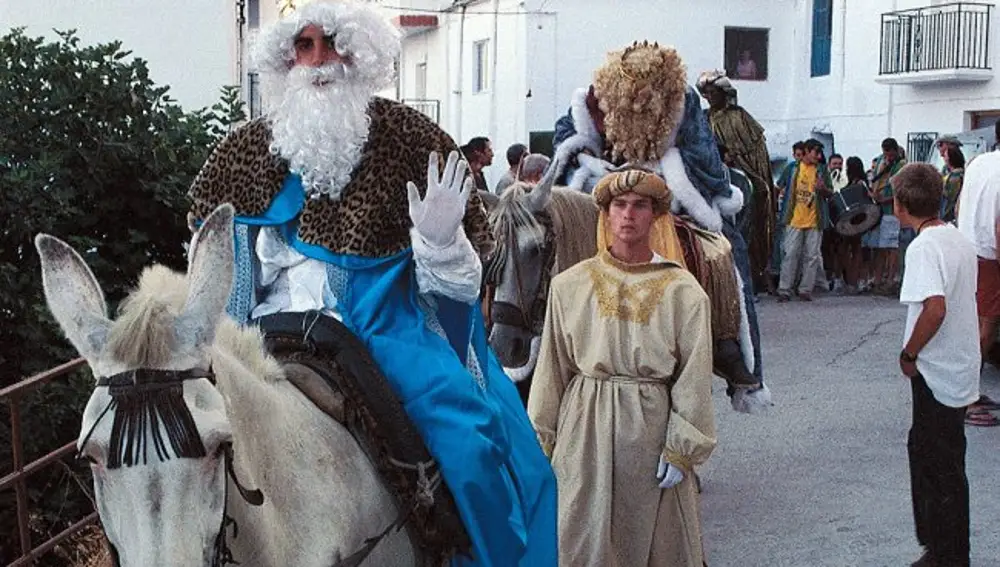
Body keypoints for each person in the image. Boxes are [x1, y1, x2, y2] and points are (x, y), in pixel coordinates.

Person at [185, 3, 557, 565]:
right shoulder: (239, 154)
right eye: (304, 47)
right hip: (256, 338)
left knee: (470, 443)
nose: (319, 61)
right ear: (285, 58)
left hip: (380, 331)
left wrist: (437, 243)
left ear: (359, 52)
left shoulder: (409, 139)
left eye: (332, 44)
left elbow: (459, 287)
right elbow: (212, 269)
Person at [550, 41, 769, 408]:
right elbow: (568, 139)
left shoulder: (681, 101)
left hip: (665, 195)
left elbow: (701, 156)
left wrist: (678, 175)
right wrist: (591, 163)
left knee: (721, 251)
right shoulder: (590, 100)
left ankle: (732, 350)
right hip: (605, 191)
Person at [528, 169, 716, 566]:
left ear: (654, 216)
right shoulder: (569, 286)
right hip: (583, 428)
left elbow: (694, 375)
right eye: (619, 205)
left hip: (648, 430)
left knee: (653, 540)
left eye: (640, 206)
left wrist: (683, 446)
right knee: (579, 536)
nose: (628, 215)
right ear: (606, 214)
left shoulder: (684, 292)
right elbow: (552, 370)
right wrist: (539, 443)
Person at [893, 163, 978, 567]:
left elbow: (935, 309)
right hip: (959, 367)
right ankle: (945, 548)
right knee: (940, 458)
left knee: (935, 465)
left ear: (900, 205)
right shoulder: (957, 238)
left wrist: (909, 354)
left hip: (935, 371)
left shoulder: (923, 247)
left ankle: (945, 554)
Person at [697, 70, 777, 293]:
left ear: (724, 93)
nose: (709, 97)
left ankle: (754, 274)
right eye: (706, 93)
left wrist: (734, 158)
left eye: (713, 92)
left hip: (739, 182)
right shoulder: (701, 118)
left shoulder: (738, 117)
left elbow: (752, 155)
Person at [956, 121, 1000, 426]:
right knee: (985, 329)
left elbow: (959, 205)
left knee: (973, 325)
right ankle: (966, 399)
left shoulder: (978, 162)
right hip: (990, 255)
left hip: (969, 248)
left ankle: (968, 392)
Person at [777, 138, 833, 301]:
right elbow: (780, 186)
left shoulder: (822, 170)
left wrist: (823, 189)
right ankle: (785, 289)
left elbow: (830, 193)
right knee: (790, 254)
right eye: (816, 152)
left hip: (815, 220)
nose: (818, 156)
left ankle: (805, 289)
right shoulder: (792, 168)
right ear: (807, 152)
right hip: (794, 218)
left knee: (812, 256)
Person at [868, 137, 907, 295]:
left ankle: (891, 280)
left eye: (890, 154)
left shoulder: (902, 165)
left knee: (891, 247)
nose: (888, 157)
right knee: (879, 247)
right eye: (886, 154)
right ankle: (878, 279)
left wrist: (886, 199)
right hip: (878, 209)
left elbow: (902, 190)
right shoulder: (879, 162)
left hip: (892, 210)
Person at [836, 157, 869, 294]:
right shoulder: (860, 182)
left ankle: (852, 281)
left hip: (855, 220)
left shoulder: (859, 183)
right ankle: (851, 281)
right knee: (853, 251)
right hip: (857, 220)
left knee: (853, 251)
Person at [941, 145, 966, 223]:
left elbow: (950, 200)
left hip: (950, 216)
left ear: (950, 159)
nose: (944, 159)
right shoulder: (964, 173)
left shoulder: (954, 177)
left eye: (945, 156)